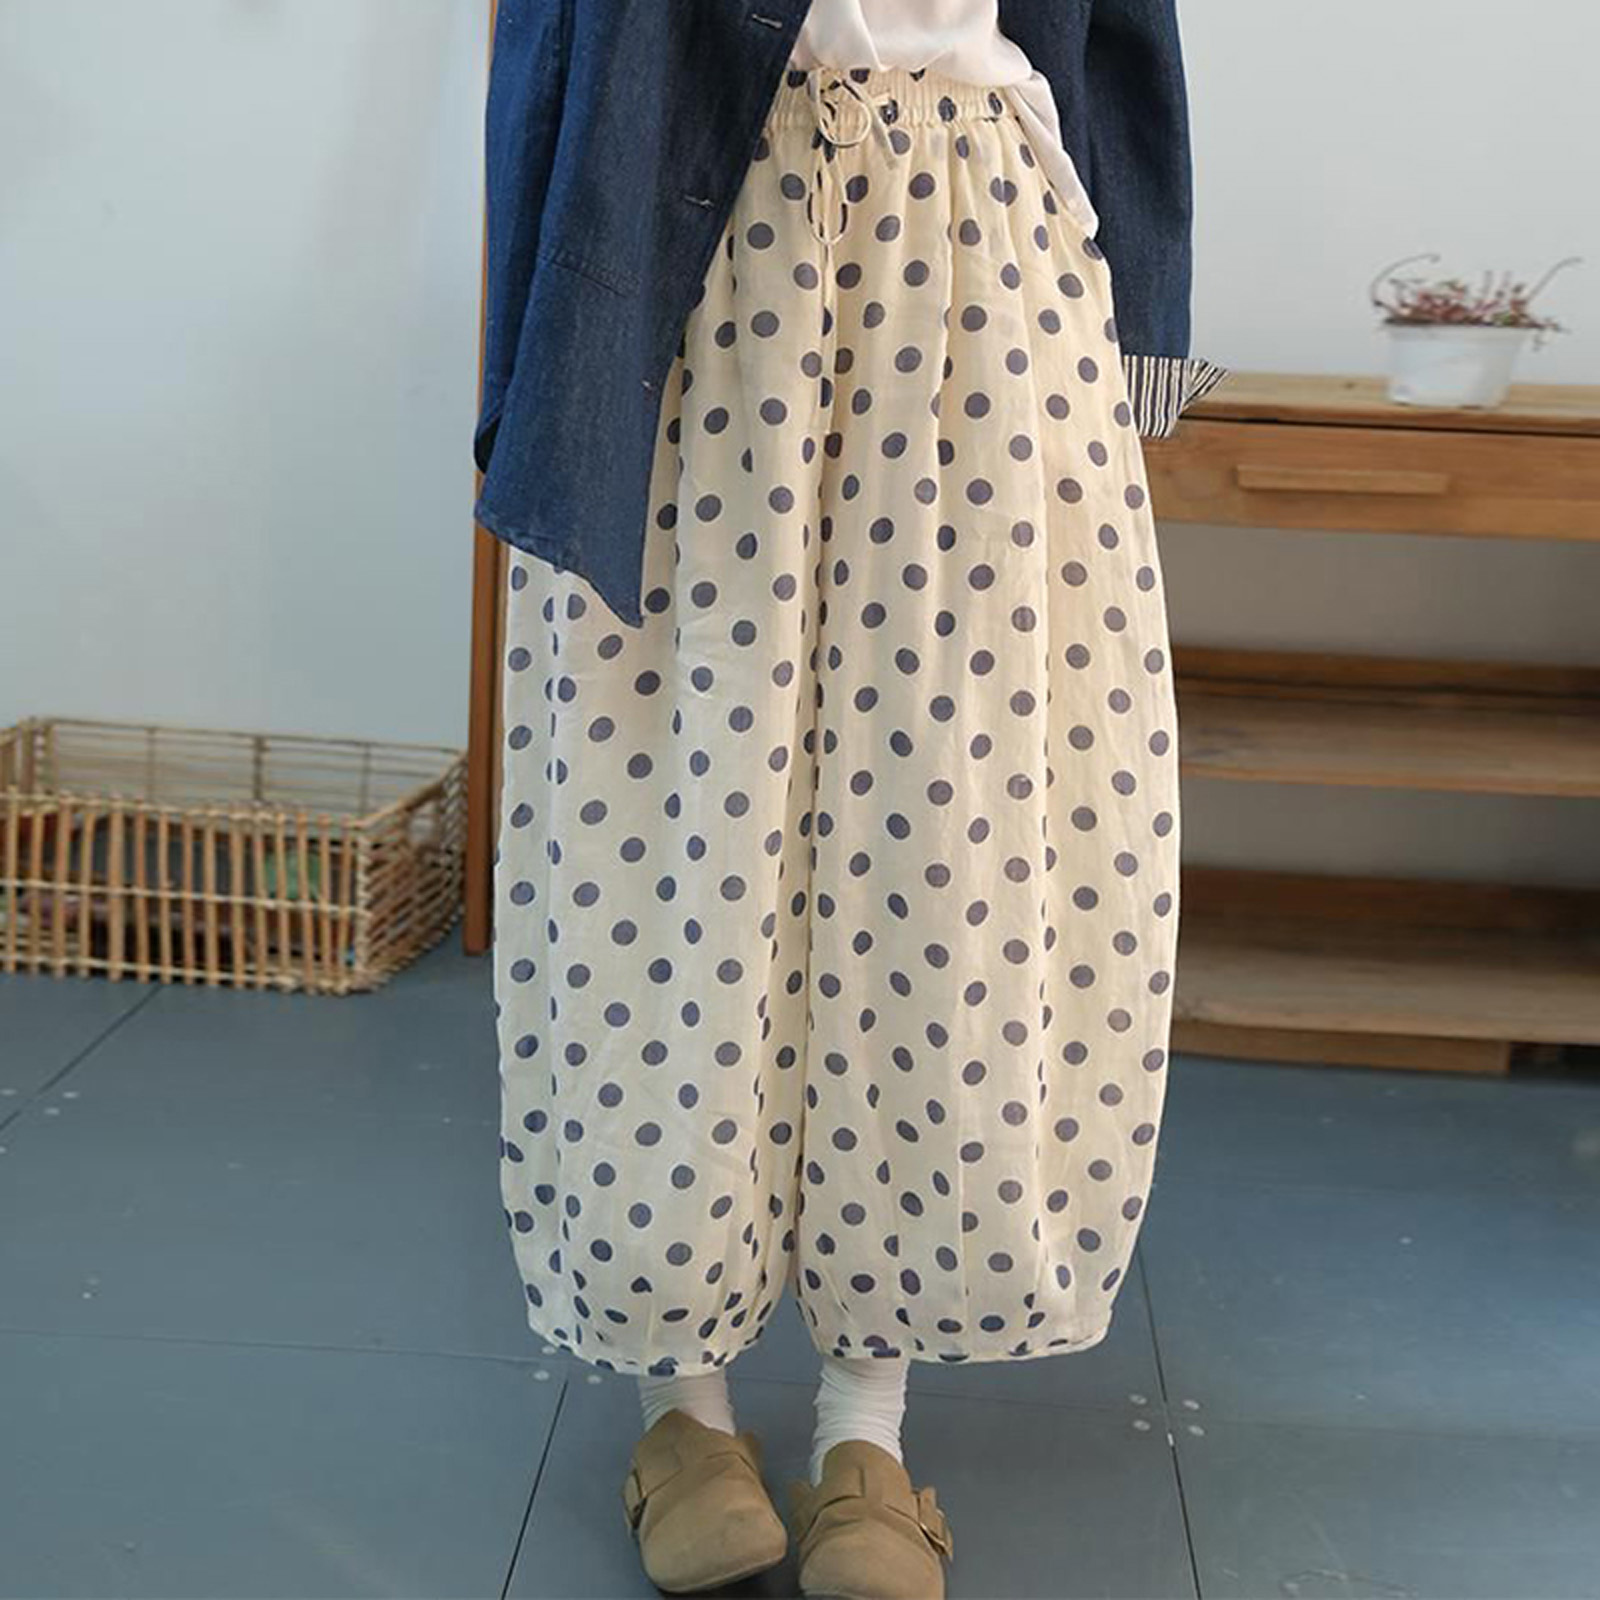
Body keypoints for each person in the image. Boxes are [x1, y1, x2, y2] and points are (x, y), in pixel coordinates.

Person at [482, 4, 1226, 1595]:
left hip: (983, 256)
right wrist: (527, 366)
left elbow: (1121, 33)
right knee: (666, 808)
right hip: (684, 254)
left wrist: (1144, 319)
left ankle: (866, 1422)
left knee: (949, 830)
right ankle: (679, 1408)